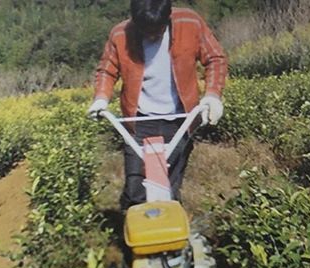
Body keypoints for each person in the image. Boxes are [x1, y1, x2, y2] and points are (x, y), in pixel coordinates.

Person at [88, 0, 228, 210]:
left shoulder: (190, 22)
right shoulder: (120, 34)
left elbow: (215, 58)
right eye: (146, 31)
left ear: (168, 17)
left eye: (158, 31)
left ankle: (170, 238)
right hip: (139, 120)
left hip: (180, 120)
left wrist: (212, 96)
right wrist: (101, 97)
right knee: (136, 189)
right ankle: (136, 229)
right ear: (135, 23)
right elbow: (107, 69)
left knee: (168, 188)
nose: (152, 36)